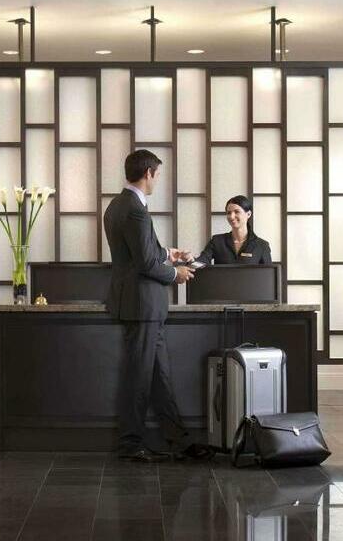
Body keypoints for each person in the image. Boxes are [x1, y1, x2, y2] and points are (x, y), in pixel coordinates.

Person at [103, 149, 198, 463]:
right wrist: (175, 273)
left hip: (142, 306)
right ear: (148, 174)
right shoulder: (136, 210)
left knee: (160, 377)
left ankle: (179, 440)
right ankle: (130, 444)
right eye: (157, 174)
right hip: (142, 305)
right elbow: (144, 263)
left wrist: (168, 253)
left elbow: (138, 253)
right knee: (140, 379)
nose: (157, 180)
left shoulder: (117, 205)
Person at [196, 195, 272, 265]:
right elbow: (201, 261)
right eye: (229, 213)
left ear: (248, 214)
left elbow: (268, 273)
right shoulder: (217, 241)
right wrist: (191, 261)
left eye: (237, 212)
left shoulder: (262, 246)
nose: (232, 217)